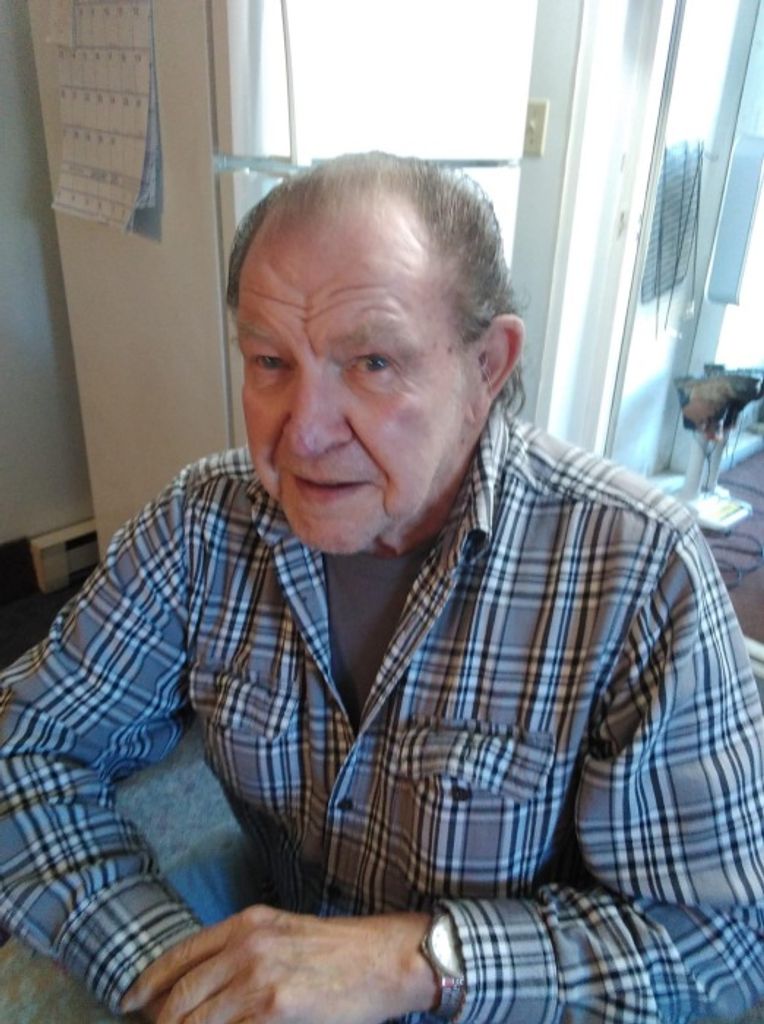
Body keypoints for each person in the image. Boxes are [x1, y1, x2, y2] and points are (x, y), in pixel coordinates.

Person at [1, 152, 763, 1024]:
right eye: (270, 361)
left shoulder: (639, 571)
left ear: (487, 368)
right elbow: (24, 747)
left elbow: (722, 944)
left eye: (371, 362)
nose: (304, 434)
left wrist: (420, 960)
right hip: (278, 911)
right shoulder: (201, 526)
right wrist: (178, 973)